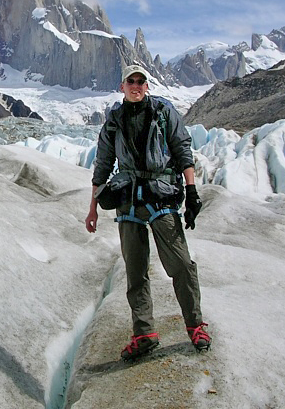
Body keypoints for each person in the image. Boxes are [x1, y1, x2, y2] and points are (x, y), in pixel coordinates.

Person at [84, 65, 211, 360]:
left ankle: (195, 325)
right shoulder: (113, 122)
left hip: (161, 197)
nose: (136, 85)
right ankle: (144, 334)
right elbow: (102, 166)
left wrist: (191, 192)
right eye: (131, 81)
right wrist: (92, 208)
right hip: (128, 201)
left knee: (181, 265)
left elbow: (182, 151)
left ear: (146, 86)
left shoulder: (164, 114)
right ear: (122, 86)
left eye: (141, 81)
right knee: (135, 272)